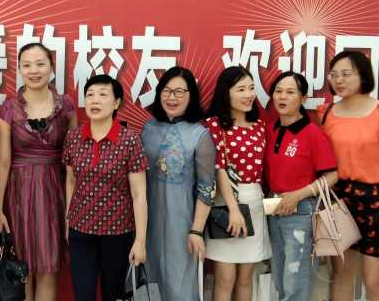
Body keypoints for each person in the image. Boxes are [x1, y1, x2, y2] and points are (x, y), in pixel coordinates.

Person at [317, 50, 379, 301]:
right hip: (338, 201)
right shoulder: (326, 114)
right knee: (342, 276)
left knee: (374, 282)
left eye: (346, 74)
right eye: (334, 75)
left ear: (363, 76)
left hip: (377, 202)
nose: (339, 80)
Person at [0, 43, 77, 301]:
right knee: (22, 270)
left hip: (54, 191)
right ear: (19, 69)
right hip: (18, 193)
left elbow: (74, 159)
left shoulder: (66, 106)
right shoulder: (9, 108)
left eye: (40, 64)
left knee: (48, 270)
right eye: (27, 65)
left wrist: (73, 206)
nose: (34, 70)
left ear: (51, 67)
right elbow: (3, 161)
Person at [63, 74, 148, 301]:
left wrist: (140, 240)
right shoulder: (73, 137)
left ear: (116, 102)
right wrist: (67, 220)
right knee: (83, 294)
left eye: (103, 94)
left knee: (113, 294)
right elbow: (70, 180)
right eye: (90, 95)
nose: (95, 100)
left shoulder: (129, 140)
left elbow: (139, 194)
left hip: (117, 233)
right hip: (80, 230)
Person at [141, 66, 215, 301]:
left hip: (183, 225)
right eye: (166, 90)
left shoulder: (200, 135)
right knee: (150, 284)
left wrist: (196, 230)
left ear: (191, 95)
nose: (171, 97)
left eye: (179, 92)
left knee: (180, 285)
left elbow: (206, 188)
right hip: (147, 222)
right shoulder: (148, 129)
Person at [265, 71, 338, 301]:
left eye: (290, 92)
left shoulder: (312, 133)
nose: (282, 97)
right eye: (278, 91)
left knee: (295, 279)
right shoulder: (272, 128)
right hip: (273, 209)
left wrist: (297, 195)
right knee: (279, 277)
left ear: (303, 99)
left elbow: (332, 176)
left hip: (301, 212)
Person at [204, 66, 271, 301]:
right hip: (226, 204)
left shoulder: (260, 126)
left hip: (255, 202)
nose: (248, 94)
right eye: (241, 89)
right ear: (226, 93)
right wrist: (233, 209)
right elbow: (219, 168)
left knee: (245, 279)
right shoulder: (214, 125)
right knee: (225, 279)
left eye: (251, 88)